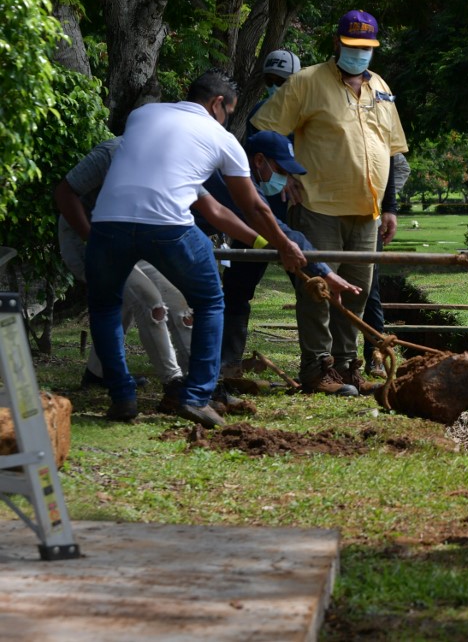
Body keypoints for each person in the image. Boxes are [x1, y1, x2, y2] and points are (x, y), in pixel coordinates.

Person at [85, 69, 306, 427]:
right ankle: (197, 396)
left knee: (106, 307)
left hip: (107, 223)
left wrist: (264, 242)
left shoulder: (143, 115)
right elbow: (252, 207)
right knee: (210, 299)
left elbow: (212, 208)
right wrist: (285, 245)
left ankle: (122, 397)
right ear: (218, 103)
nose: (226, 119)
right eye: (228, 112)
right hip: (167, 226)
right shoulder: (222, 138)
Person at [251, 9, 408, 395]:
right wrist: (281, 176)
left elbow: (389, 151)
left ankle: (346, 366)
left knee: (355, 293)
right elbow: (262, 132)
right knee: (318, 291)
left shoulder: (381, 88)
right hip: (318, 206)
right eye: (352, 46)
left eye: (366, 48)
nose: (360, 53)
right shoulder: (307, 82)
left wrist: (390, 207)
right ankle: (316, 369)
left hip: (367, 213)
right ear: (336, 43)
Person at [204, 131, 362, 396]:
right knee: (226, 295)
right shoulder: (236, 179)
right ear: (259, 161)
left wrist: (317, 268)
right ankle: (217, 371)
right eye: (280, 170)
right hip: (268, 234)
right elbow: (264, 219)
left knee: (312, 292)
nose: (285, 179)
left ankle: (321, 369)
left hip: (283, 236)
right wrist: (320, 268)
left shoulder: (260, 177)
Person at [55, 137, 190, 393]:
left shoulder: (172, 159)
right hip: (87, 237)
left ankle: (198, 379)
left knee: (177, 300)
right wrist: (92, 239)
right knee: (149, 301)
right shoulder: (111, 153)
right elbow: (64, 193)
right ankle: (173, 383)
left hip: (132, 239)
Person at [362, 152, 410, 377]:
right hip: (326, 217)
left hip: (369, 220)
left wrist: (384, 203)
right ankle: (332, 360)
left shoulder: (377, 128)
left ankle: (375, 357)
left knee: (369, 289)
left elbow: (399, 165)